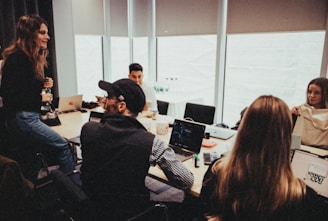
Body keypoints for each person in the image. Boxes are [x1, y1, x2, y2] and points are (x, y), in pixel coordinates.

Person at [198, 95, 328, 221]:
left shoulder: (217, 172)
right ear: (286, 138)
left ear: (243, 129)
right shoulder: (302, 196)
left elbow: (201, 214)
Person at [80, 78, 194, 220]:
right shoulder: (151, 143)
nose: (104, 101)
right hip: (132, 214)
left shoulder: (88, 130)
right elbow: (186, 181)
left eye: (108, 97)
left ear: (121, 106)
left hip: (92, 206)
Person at [0, 15, 75, 183]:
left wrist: (42, 85)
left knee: (32, 160)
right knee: (64, 147)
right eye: (43, 32)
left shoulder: (27, 58)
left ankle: (36, 194)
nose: (47, 37)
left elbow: (23, 89)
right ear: (30, 34)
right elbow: (9, 94)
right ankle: (74, 191)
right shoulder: (18, 58)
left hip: (24, 117)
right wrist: (40, 98)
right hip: (24, 118)